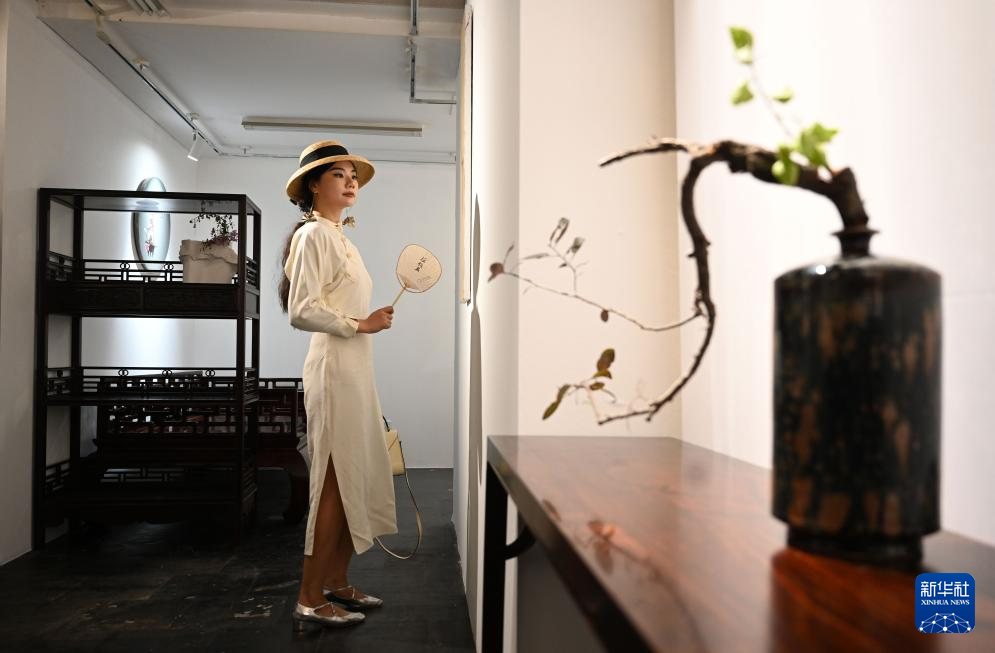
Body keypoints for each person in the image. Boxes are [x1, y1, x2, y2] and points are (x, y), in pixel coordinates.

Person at [279, 140, 398, 630]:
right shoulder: (314, 235)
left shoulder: (341, 238)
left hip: (355, 369)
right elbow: (301, 310)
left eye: (353, 177)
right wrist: (361, 324)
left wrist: (365, 324)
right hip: (332, 370)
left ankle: (336, 580)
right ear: (313, 184)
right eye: (338, 175)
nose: (351, 183)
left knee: (358, 473)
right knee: (331, 480)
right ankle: (309, 597)